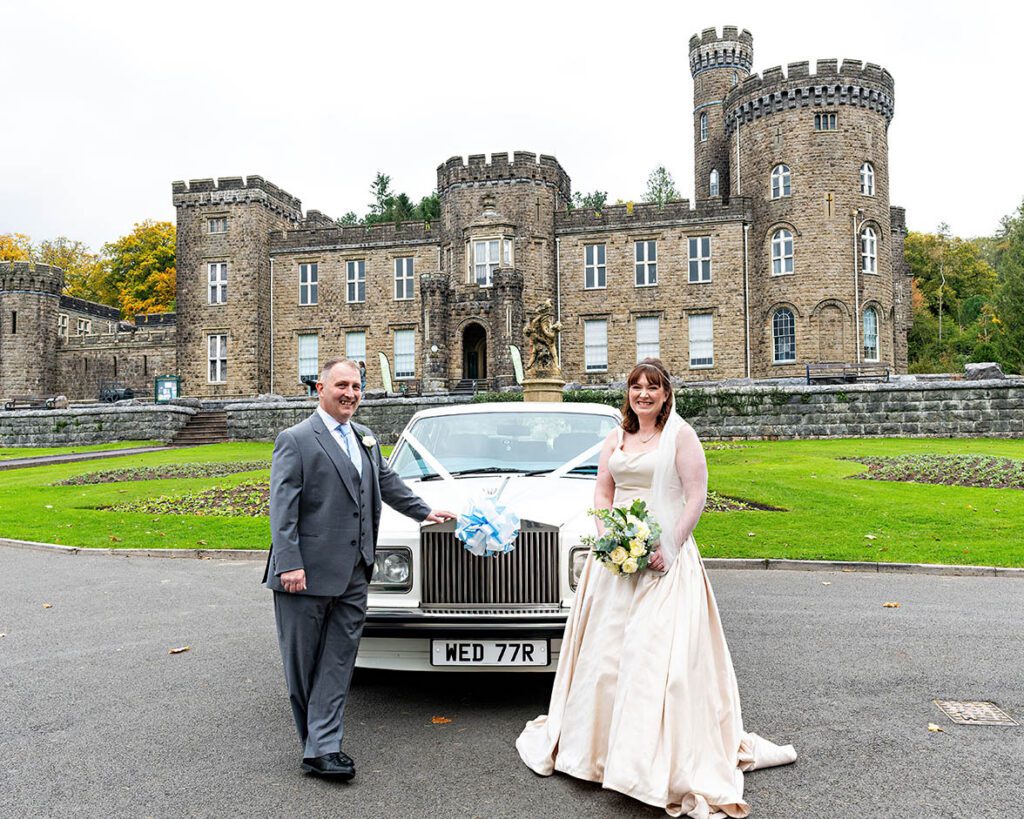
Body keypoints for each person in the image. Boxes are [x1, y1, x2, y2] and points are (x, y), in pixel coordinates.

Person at [516, 358, 796, 818]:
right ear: (628, 393)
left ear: (666, 394)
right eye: (635, 387)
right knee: (606, 659)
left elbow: (696, 495)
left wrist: (669, 545)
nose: (642, 394)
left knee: (654, 660)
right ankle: (601, 753)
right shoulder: (616, 438)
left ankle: (645, 759)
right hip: (616, 564)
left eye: (652, 387)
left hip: (666, 563)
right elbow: (603, 491)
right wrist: (612, 532)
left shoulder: (681, 436)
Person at [265, 357, 454, 780]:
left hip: (355, 570)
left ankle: (323, 748)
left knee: (338, 662)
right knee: (304, 665)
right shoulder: (295, 439)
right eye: (342, 385)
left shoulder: (365, 437)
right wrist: (290, 564)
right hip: (305, 574)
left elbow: (386, 483)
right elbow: (282, 509)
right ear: (320, 389)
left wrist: (424, 511)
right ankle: (315, 745)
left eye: (356, 387)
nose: (350, 393)